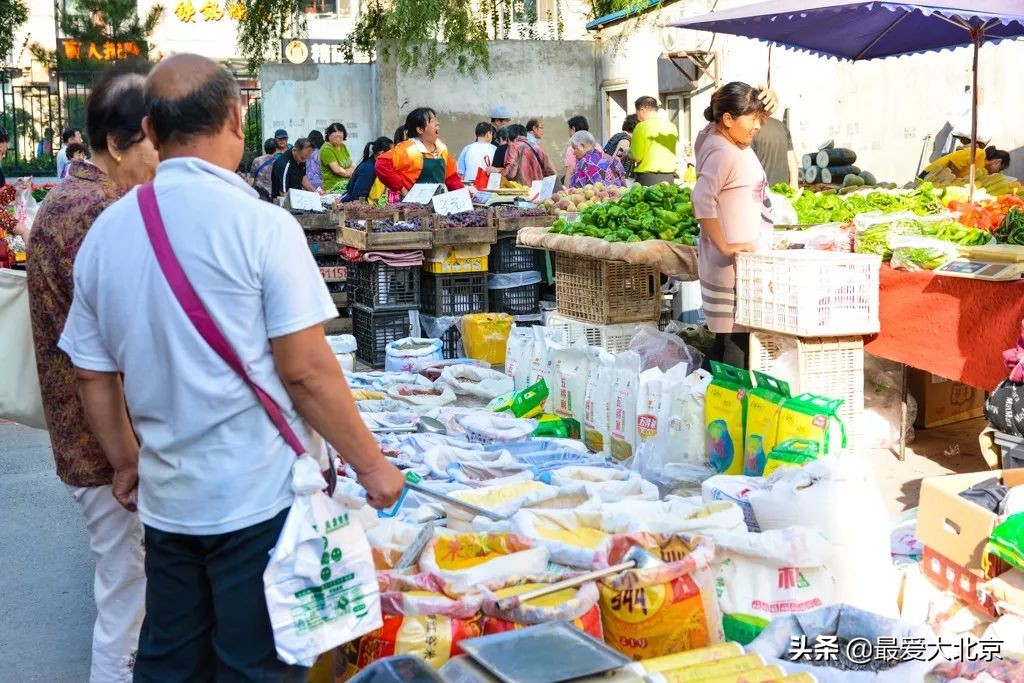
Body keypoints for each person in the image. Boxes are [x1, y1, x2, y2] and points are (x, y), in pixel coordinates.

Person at [58, 53, 405, 681]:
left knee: (169, 660)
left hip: (167, 503)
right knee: (252, 666)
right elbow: (306, 372)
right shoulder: (263, 226)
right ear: (237, 119)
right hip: (256, 502)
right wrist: (373, 464)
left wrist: (127, 462)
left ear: (153, 134)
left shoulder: (107, 235)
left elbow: (93, 374)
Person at [26, 62, 158, 683]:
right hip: (104, 444)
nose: (156, 161)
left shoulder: (78, 199)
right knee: (125, 600)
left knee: (128, 590)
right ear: (113, 144)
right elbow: (105, 356)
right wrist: (129, 455)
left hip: (97, 439)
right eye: (149, 147)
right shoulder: (95, 214)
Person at [692, 82, 773, 370]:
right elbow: (702, 200)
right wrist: (725, 245)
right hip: (728, 264)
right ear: (728, 119)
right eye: (752, 120)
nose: (757, 126)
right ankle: (727, 407)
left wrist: (763, 106)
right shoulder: (722, 151)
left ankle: (698, 396)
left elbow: (739, 116)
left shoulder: (719, 135)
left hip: (734, 261)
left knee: (724, 343)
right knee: (735, 347)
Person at [376, 107, 464, 194]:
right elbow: (382, 164)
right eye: (433, 121)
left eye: (436, 120)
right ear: (420, 130)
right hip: (413, 206)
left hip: (438, 203)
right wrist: (401, 188)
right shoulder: (408, 149)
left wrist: (463, 196)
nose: (438, 123)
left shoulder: (441, 148)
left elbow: (451, 177)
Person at [630, 96, 678, 186]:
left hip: (648, 179)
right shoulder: (672, 126)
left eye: (637, 114)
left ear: (642, 110)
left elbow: (637, 157)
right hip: (669, 177)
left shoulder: (641, 127)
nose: (637, 117)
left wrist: (628, 152)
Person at [751, 104, 799, 189]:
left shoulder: (752, 128)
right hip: (783, 190)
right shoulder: (781, 126)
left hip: (762, 192)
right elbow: (791, 158)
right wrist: (794, 184)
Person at [343, 136, 393, 202]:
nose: (393, 156)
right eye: (392, 153)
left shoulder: (378, 166)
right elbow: (358, 198)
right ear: (381, 153)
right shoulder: (367, 169)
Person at [320, 122, 354, 193]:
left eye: (341, 137)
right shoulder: (326, 149)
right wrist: (350, 172)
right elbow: (337, 170)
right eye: (336, 137)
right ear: (329, 135)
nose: (338, 139)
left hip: (346, 186)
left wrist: (347, 171)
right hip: (332, 188)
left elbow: (352, 164)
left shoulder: (343, 146)